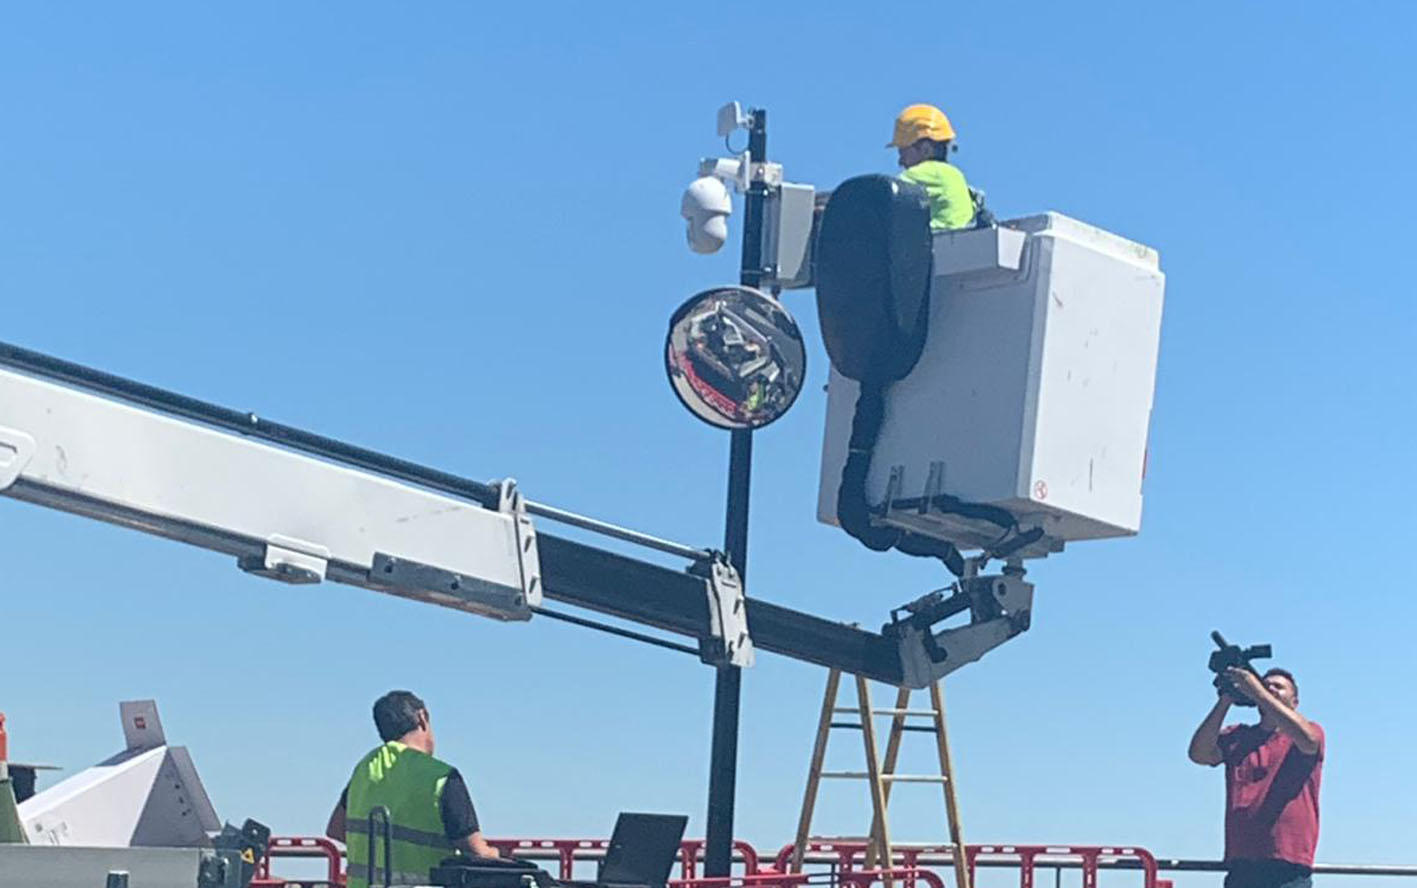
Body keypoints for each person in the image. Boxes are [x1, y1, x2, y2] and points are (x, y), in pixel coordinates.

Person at [328, 691, 500, 888]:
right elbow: (477, 852)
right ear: (422, 717)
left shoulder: (365, 769)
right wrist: (496, 854)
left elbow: (336, 829)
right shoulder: (440, 776)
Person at [1188, 667, 1325, 888]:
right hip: (1243, 864)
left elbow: (1308, 740)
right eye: (1266, 684)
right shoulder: (1238, 737)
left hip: (1288, 865)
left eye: (1278, 687)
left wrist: (1260, 693)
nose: (1270, 688)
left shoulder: (1310, 732)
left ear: (1295, 701)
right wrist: (1225, 700)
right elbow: (1200, 754)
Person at [887, 104, 976, 231]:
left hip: (936, 247)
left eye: (903, 152)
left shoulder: (927, 172)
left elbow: (886, 194)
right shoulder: (955, 175)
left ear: (925, 150)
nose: (900, 162)